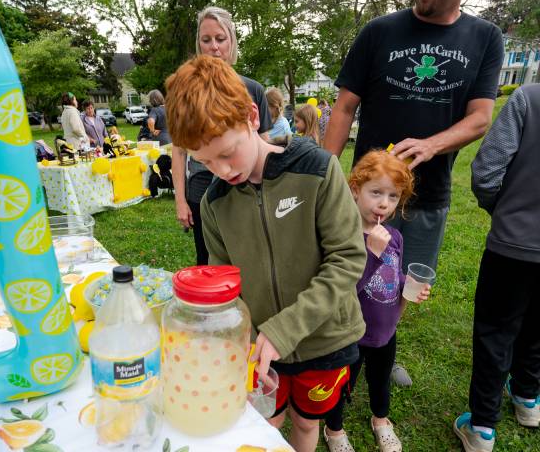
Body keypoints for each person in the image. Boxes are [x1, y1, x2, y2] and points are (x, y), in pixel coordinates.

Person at [323, 0, 503, 387]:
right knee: (349, 272)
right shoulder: (379, 32)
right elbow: (343, 108)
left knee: (402, 284)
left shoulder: (485, 38)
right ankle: (342, 350)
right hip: (367, 193)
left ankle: (383, 345)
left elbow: (481, 116)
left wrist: (431, 145)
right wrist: (326, 175)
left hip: (429, 196)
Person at [165, 55, 366, 452]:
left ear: (252, 116)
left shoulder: (318, 170)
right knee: (264, 424)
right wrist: (249, 339)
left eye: (227, 153)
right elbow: (225, 286)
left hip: (324, 340)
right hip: (262, 351)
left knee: (307, 425)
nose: (221, 170)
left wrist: (283, 330)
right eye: (205, 162)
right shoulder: (214, 203)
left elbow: (347, 260)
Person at [323, 150, 430, 452]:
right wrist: (370, 252)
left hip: (385, 330)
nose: (384, 203)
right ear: (355, 190)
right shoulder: (344, 236)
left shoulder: (394, 236)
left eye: (393, 196)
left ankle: (381, 420)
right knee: (343, 386)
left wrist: (410, 286)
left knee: (381, 380)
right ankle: (334, 429)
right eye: (376, 193)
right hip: (350, 333)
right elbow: (343, 290)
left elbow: (392, 275)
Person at [454, 84, 540, 452]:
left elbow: (487, 171)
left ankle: (482, 427)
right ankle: (528, 399)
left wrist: (505, 213)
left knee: (495, 333)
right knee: (537, 326)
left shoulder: (528, 98)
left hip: (513, 245)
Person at [171, 6, 272, 265]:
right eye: (206, 40)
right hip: (203, 189)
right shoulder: (186, 92)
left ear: (232, 41)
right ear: (198, 43)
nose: (214, 47)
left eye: (220, 39)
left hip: (248, 188)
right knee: (209, 260)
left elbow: (265, 143)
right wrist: (180, 200)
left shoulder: (253, 90)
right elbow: (179, 150)